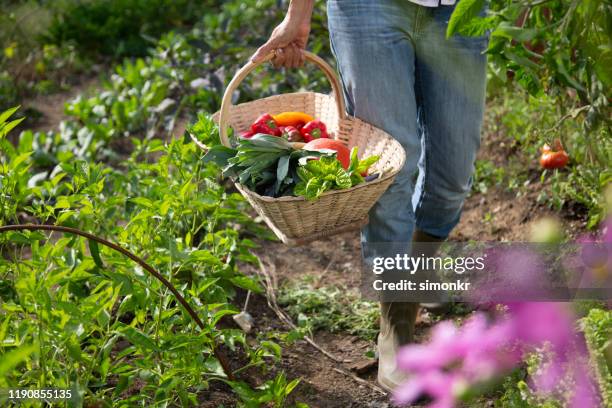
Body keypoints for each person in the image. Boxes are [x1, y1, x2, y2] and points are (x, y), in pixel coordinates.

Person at [252, 0, 488, 392]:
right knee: (391, 168)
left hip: (460, 10)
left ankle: (419, 269)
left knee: (452, 177)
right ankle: (396, 322)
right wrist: (298, 13)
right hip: (368, 9)